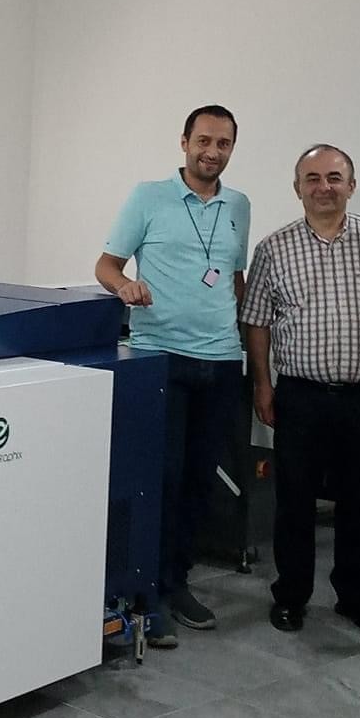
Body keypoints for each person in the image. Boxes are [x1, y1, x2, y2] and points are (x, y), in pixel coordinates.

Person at [96, 104, 250, 646]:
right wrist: (124, 287)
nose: (212, 151)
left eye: (223, 143)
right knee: (160, 477)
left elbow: (232, 277)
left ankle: (176, 582)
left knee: (200, 481)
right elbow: (107, 264)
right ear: (184, 142)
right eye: (203, 140)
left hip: (222, 360)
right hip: (160, 355)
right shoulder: (148, 197)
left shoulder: (239, 205)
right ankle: (146, 594)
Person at [242, 145, 360, 635]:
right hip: (301, 396)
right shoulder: (273, 249)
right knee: (294, 501)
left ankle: (356, 597)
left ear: (351, 185)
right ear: (297, 188)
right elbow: (257, 322)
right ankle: (291, 595)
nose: (324, 187)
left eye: (334, 177)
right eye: (312, 178)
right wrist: (263, 384)